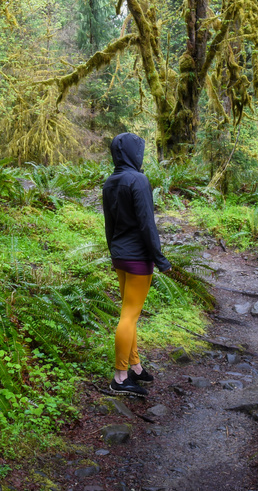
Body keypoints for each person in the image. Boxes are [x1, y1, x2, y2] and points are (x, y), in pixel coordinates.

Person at [102, 132, 172, 396]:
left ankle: (136, 367)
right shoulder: (139, 180)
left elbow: (109, 225)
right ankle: (120, 378)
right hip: (138, 258)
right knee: (129, 316)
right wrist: (160, 258)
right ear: (133, 153)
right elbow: (146, 223)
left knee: (129, 314)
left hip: (120, 256)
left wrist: (113, 253)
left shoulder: (110, 182)